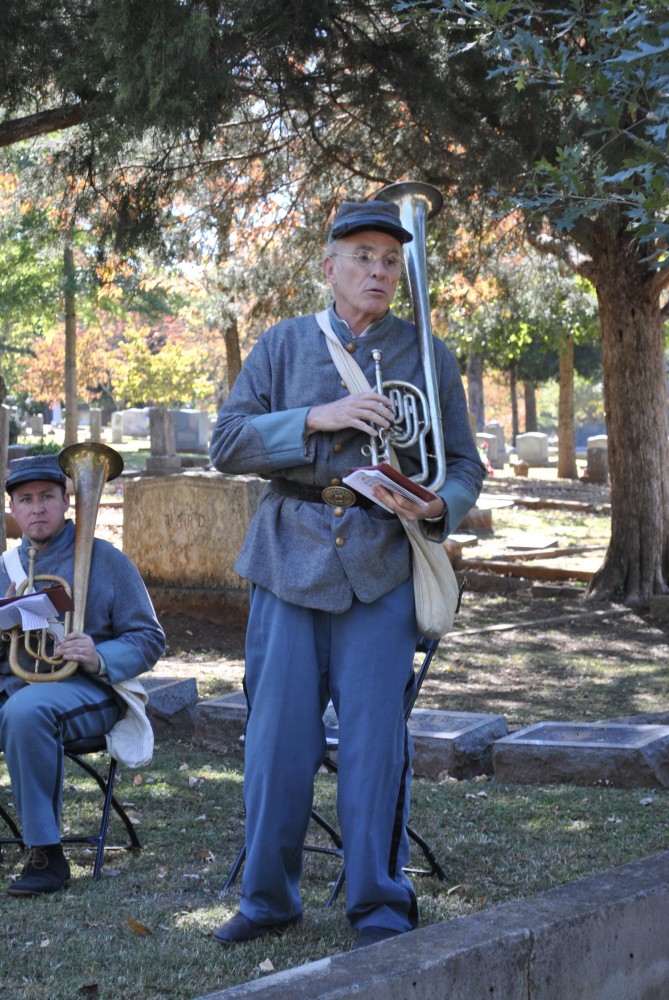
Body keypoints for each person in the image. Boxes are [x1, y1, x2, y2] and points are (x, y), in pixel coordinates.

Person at [209, 198, 484, 949]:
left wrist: (438, 510)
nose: (378, 270)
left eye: (390, 260)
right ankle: (268, 899)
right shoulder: (281, 344)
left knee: (374, 743)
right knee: (275, 742)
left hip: (382, 561)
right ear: (327, 266)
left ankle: (377, 901)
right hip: (287, 557)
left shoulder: (429, 355)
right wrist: (317, 419)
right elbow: (226, 443)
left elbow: (463, 465)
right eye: (362, 256)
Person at [0, 454, 165, 896]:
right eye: (26, 499)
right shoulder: (6, 568)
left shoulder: (107, 560)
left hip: (91, 691)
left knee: (24, 711)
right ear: (13, 509)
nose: (37, 508)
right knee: (20, 705)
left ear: (67, 501)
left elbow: (150, 639)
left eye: (47, 497)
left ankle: (46, 857)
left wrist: (96, 654)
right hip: (18, 685)